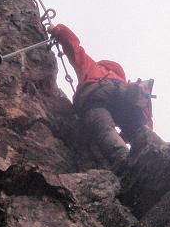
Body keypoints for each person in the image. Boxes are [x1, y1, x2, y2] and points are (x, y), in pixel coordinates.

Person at [48, 23, 158, 169]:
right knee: (137, 127)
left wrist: (57, 30)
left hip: (97, 92)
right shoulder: (122, 81)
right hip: (124, 95)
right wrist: (133, 134)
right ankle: (154, 153)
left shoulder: (94, 67)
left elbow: (74, 48)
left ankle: (122, 158)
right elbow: (144, 117)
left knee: (104, 128)